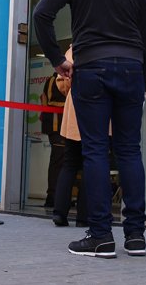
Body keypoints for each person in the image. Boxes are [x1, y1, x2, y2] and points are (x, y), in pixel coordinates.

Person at [33, 0, 146, 259]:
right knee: (130, 151)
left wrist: (59, 61)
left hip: (91, 69)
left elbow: (41, 15)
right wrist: (143, 81)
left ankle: (101, 236)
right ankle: (135, 236)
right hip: (131, 68)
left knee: (95, 151)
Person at [51, 46, 89, 228]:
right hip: (100, 109)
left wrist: (71, 90)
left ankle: (59, 212)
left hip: (75, 108)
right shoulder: (106, 40)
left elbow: (61, 82)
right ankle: (84, 216)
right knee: (93, 162)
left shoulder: (74, 48)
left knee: (70, 163)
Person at [39, 70, 66, 208]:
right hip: (57, 126)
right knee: (58, 161)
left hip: (65, 126)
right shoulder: (53, 80)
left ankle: (60, 197)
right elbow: (51, 99)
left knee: (64, 162)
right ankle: (53, 196)